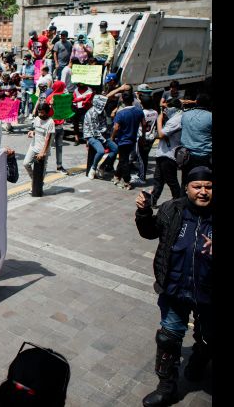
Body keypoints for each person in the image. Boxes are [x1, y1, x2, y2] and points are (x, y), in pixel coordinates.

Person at [135, 167, 213, 407]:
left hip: (209, 294)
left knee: (209, 338)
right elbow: (149, 233)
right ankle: (166, 387)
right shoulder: (172, 209)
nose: (203, 192)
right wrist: (144, 212)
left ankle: (199, 362)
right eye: (197, 186)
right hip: (175, 289)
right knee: (168, 338)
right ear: (187, 188)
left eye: (208, 187)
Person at [110, 90, 145, 190]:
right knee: (123, 159)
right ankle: (116, 176)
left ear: (122, 100)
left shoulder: (121, 113)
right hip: (133, 139)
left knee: (124, 161)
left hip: (123, 141)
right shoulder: (139, 111)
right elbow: (144, 124)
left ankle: (126, 181)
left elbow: (116, 128)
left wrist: (112, 137)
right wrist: (143, 136)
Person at [151, 99, 183, 206]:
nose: (164, 110)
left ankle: (178, 202)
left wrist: (159, 120)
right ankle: (153, 200)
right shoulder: (173, 118)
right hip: (163, 153)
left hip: (169, 155)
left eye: (166, 108)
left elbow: (161, 134)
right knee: (158, 179)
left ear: (173, 108)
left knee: (171, 181)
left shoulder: (177, 120)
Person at [179, 94, 212, 185]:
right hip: (204, 156)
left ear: (196, 102)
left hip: (186, 156)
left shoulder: (185, 115)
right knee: (204, 183)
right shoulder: (210, 116)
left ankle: (183, 198)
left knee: (186, 182)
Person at [83, 95, 118, 180]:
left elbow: (104, 124)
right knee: (101, 151)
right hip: (91, 135)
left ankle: (102, 166)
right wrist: (104, 141)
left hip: (103, 135)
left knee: (115, 149)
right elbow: (94, 130)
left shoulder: (103, 112)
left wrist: (107, 135)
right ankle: (93, 168)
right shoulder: (90, 113)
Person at [23, 102, 54, 178]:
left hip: (43, 149)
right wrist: (32, 132)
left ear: (47, 112)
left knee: (42, 169)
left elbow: (48, 138)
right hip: (33, 147)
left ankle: (39, 185)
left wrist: (43, 152)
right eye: (39, 112)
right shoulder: (37, 118)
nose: (40, 114)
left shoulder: (50, 122)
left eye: (42, 113)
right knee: (26, 163)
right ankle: (34, 180)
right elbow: (36, 130)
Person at [45, 81, 69, 174]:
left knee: (48, 147)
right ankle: (58, 166)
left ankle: (47, 165)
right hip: (55, 126)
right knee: (58, 147)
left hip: (56, 126)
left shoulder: (51, 97)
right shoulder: (62, 97)